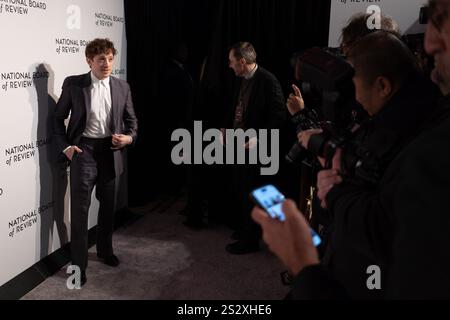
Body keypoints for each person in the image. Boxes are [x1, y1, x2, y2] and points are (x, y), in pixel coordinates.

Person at [253, 0, 450, 299]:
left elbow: (384, 235)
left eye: (441, 20)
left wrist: (303, 263)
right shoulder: (396, 116)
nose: (430, 42)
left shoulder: (424, 146)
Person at [54, 38, 138, 286]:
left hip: (111, 151)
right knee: (80, 212)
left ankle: (105, 249)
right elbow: (58, 119)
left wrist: (129, 139)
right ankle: (78, 267)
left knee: (108, 206)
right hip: (84, 152)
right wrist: (67, 148)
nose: (107, 64)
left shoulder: (123, 87)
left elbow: (133, 122)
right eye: (101, 59)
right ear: (89, 60)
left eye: (111, 58)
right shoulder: (73, 84)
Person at [224, 42, 287, 254]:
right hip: (238, 145)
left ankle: (249, 241)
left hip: (257, 149)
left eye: (232, 62)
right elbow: (237, 109)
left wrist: (258, 139)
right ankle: (245, 231)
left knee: (251, 194)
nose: (230, 66)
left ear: (242, 62)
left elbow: (278, 118)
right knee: (240, 190)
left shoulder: (269, 81)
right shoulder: (239, 79)